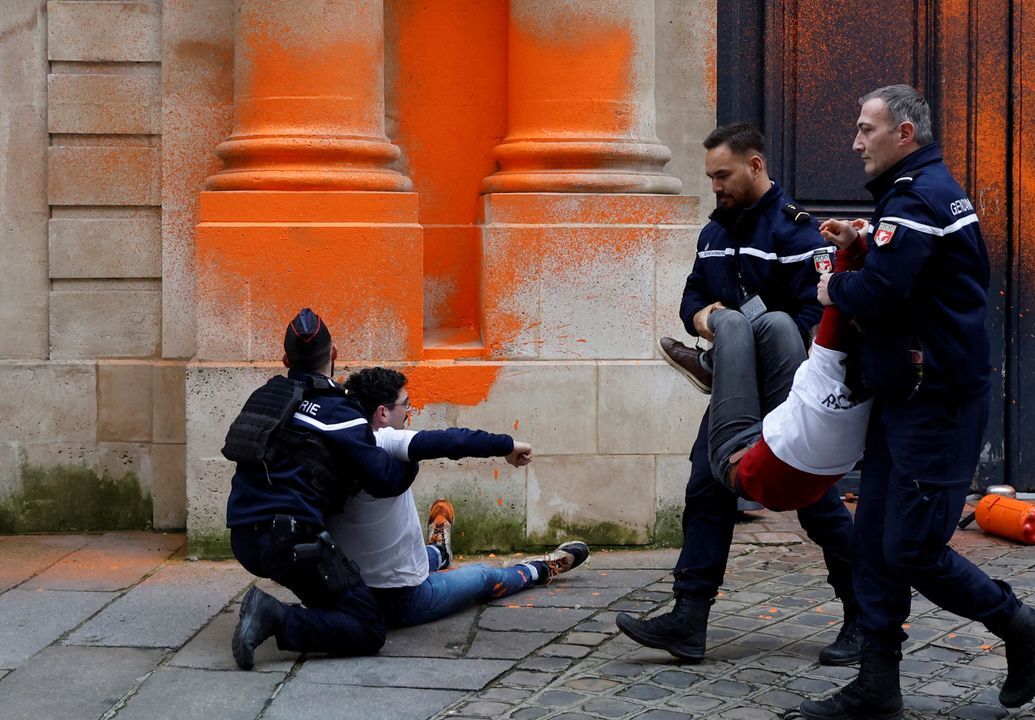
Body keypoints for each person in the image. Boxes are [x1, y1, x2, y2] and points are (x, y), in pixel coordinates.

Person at [798, 85, 1035, 719]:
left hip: (937, 402)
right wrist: (864, 240)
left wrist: (835, 286)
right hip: (905, 394)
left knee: (912, 548)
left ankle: (1024, 626)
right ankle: (876, 686)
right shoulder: (918, 193)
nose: (856, 142)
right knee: (873, 542)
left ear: (905, 134)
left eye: (867, 130)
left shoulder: (917, 196)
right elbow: (918, 276)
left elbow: (886, 291)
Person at [616, 122, 865, 666]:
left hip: (788, 384)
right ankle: (688, 620)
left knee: (815, 502)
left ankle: (865, 617)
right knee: (707, 485)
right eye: (710, 177)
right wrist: (709, 320)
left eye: (723, 175)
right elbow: (691, 298)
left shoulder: (799, 233)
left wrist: (743, 336)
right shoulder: (713, 233)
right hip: (735, 384)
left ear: (755, 165)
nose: (716, 187)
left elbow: (814, 318)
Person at [222, 308, 419, 670]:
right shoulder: (338, 411)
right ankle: (274, 616)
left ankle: (289, 612)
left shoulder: (264, 398)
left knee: (335, 600)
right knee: (368, 627)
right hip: (293, 545)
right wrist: (410, 452)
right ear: (335, 354)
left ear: (284, 360)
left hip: (244, 540)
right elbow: (385, 480)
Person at [329, 367, 589, 628]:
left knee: (420, 553)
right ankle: (539, 569)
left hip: (347, 591)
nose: (409, 413)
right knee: (483, 577)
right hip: (402, 597)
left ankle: (440, 551)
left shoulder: (334, 442)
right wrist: (508, 445)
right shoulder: (383, 439)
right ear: (382, 413)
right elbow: (453, 441)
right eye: (405, 405)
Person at [706, 246, 873, 513]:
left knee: (730, 323)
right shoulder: (884, 380)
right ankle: (720, 363)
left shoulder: (826, 366)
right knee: (777, 322)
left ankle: (711, 363)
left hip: (749, 470)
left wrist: (852, 246)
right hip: (800, 465)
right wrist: (857, 247)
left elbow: (835, 290)